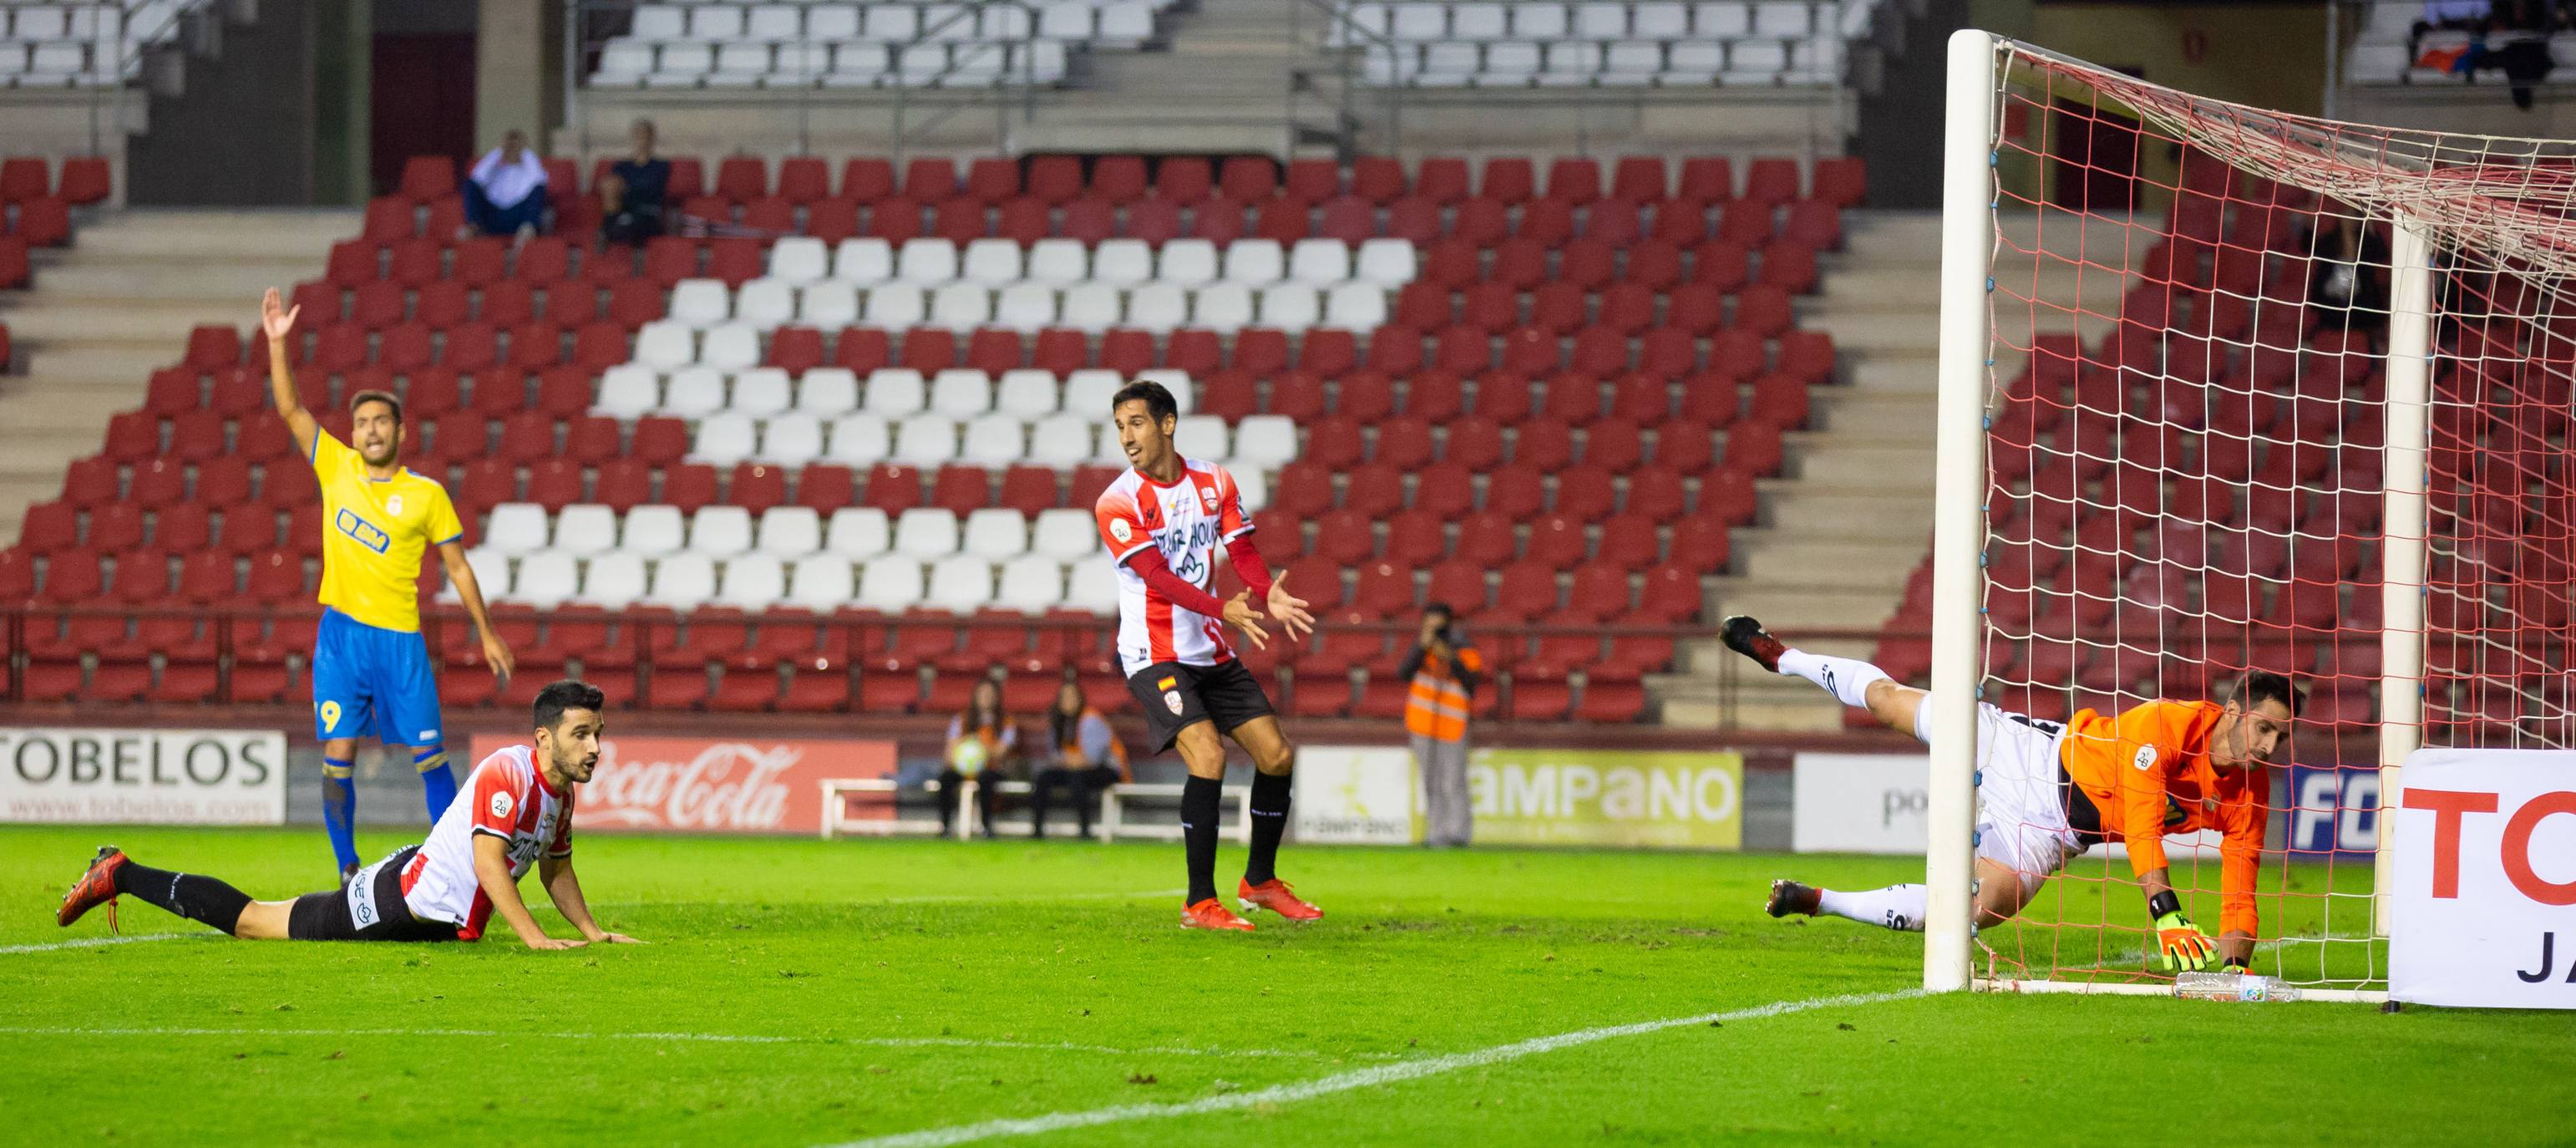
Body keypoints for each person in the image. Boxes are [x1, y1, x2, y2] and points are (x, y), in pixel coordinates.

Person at [1722, 616, 2295, 973]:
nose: (2270, 746)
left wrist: (2234, 972)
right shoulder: (2169, 725)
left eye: (2281, 736)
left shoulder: (2251, 791)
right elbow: (2143, 822)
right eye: (2265, 729)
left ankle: (1821, 900)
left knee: (1971, 912)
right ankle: (1783, 657)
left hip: (2055, 833)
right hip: (2024, 752)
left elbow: (2240, 886)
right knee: (1886, 702)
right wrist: (2164, 909)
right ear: (2236, 712)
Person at [56, 681, 636, 949]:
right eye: (580, 734)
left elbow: (556, 868)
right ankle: (122, 874)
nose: (593, 747)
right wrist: (535, 940)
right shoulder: (508, 773)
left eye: (597, 735)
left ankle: (121, 872)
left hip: (423, 901)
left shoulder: (560, 792)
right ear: (543, 738)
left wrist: (594, 932)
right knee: (258, 922)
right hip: (397, 903)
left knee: (273, 914)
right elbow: (490, 865)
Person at [261, 288, 516, 881]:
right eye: (362, 423)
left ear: (401, 431)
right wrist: (277, 344)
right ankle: (348, 869)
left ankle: (454, 868)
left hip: (401, 639)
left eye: (381, 421)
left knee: (430, 756)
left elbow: (457, 567)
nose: (370, 430)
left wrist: (488, 634)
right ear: (352, 434)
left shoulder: (426, 494)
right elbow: (291, 410)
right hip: (342, 636)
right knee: (339, 754)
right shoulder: (337, 467)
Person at [1096, 379, 1321, 931]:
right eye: (1120, 425)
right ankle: (1199, 901)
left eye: (1137, 423)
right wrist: (1225, 609)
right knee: (1208, 755)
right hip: (1154, 655)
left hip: (1209, 650)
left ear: (1167, 423)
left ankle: (1260, 881)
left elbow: (1241, 549)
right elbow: (1157, 579)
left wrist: (1267, 592)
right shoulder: (1117, 503)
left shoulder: (1214, 482)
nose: (1127, 436)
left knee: (1276, 756)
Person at [1397, 602, 1481, 848]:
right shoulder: (1421, 648)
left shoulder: (1464, 647)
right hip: (1423, 724)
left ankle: (1459, 834)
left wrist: (1451, 658)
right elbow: (1403, 673)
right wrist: (1422, 646)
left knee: (1454, 781)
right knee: (1430, 781)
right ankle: (1437, 834)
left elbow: (1472, 682)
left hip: (1453, 725)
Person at [1031, 679, 1131, 839]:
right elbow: (1054, 757)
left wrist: (1068, 761)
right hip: (1073, 769)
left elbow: (1092, 760)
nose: (1068, 701)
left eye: (1072, 697)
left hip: (1108, 769)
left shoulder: (1090, 719)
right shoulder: (1058, 722)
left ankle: (1085, 830)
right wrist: (1070, 761)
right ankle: (1036, 830)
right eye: (1064, 697)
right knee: (1043, 777)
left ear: (1080, 699)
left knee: (1077, 778)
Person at [941, 676, 1019, 838]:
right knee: (946, 778)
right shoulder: (961, 719)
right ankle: (945, 827)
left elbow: (1001, 752)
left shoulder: (1006, 721)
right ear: (975, 696)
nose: (986, 698)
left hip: (991, 768)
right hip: (963, 769)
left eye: (990, 694)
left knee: (986, 779)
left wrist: (980, 746)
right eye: (983, 693)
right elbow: (949, 752)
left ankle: (986, 827)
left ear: (997, 698)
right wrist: (966, 741)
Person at [461, 130, 548, 239]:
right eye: (510, 145)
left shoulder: (528, 168)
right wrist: (500, 151)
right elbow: (477, 178)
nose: (512, 149)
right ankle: (473, 227)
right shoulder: (495, 166)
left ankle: (528, 229)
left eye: (515, 146)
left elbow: (540, 180)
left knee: (539, 189)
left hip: (518, 218)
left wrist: (524, 151)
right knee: (470, 185)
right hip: (493, 216)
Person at [599, 119, 671, 247]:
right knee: (609, 185)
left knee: (629, 225)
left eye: (644, 134)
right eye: (638, 134)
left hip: (648, 215)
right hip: (624, 212)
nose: (641, 138)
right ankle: (608, 234)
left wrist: (627, 188)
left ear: (652, 137)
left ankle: (611, 235)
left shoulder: (661, 166)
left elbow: (653, 190)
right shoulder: (621, 167)